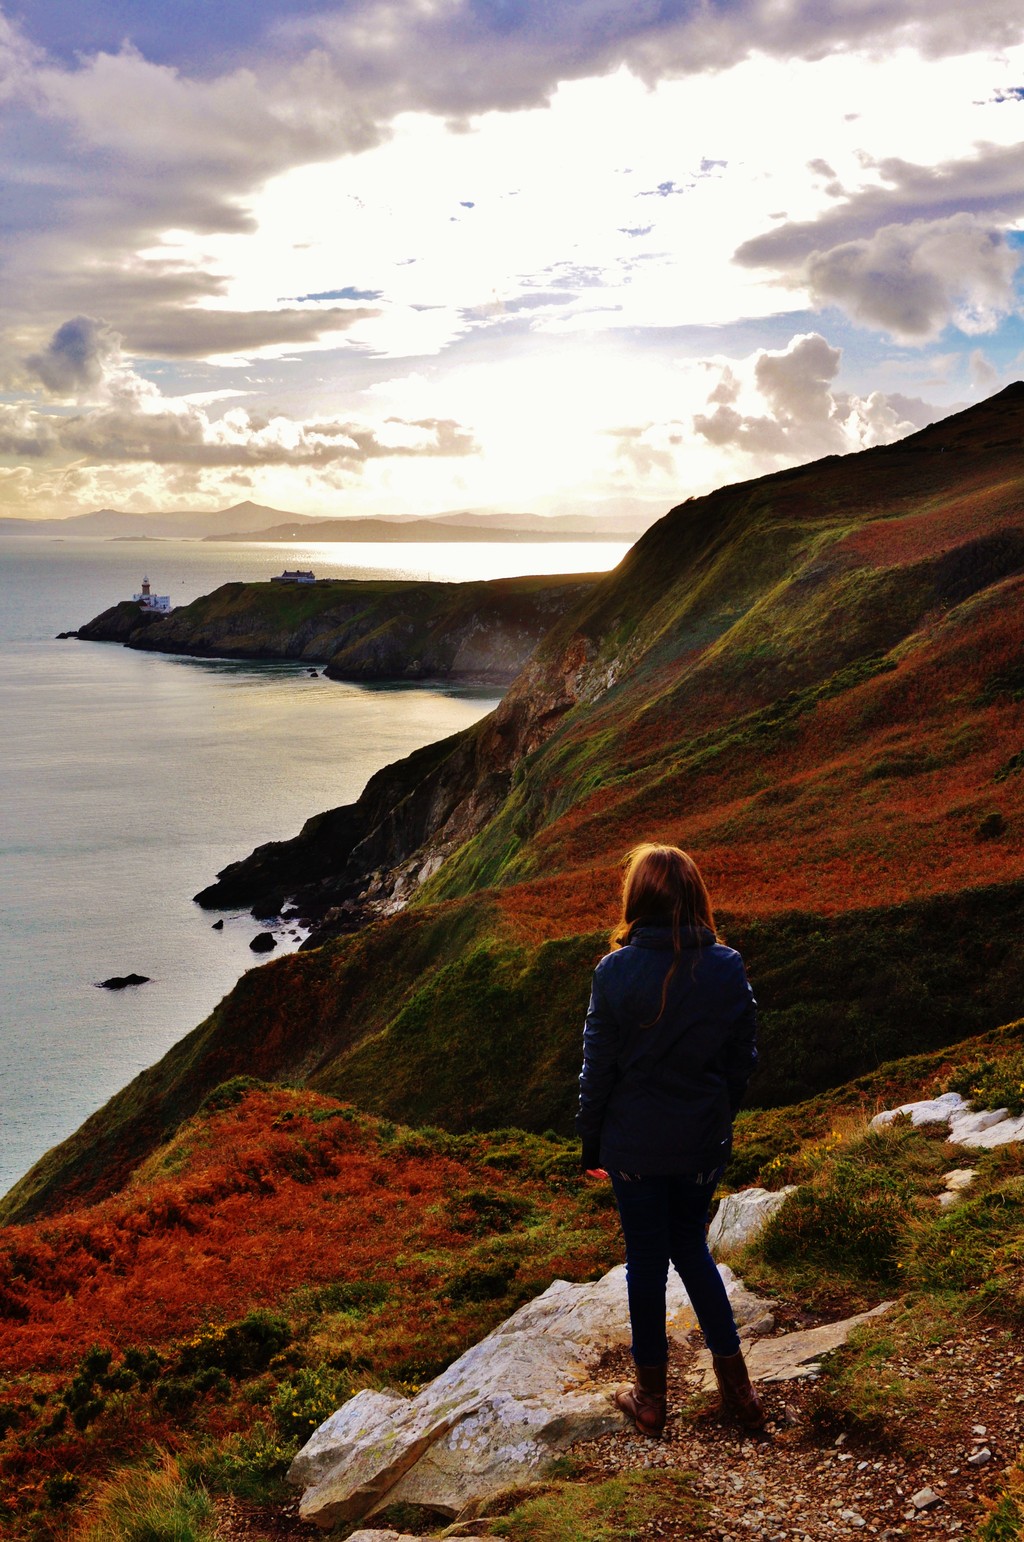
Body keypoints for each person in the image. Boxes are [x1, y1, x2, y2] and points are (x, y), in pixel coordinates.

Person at [577, 842, 764, 1438]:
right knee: (692, 1250)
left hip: (633, 1149)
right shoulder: (728, 965)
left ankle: (651, 1400)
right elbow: (742, 1061)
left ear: (637, 900)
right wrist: (716, 1120)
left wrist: (592, 1145)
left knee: (646, 1266)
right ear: (694, 897)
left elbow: (597, 1068)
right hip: (702, 1145)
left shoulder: (614, 972)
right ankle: (740, 1393)